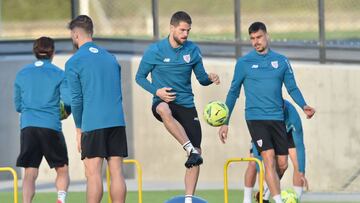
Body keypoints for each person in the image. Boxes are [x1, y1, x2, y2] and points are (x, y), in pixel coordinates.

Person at [218, 22, 315, 203]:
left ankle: (265, 193)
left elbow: (292, 88)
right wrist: (225, 121)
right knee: (267, 159)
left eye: (259, 37)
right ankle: (275, 201)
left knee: (282, 164)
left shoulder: (281, 61)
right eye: (252, 39)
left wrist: (304, 105)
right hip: (256, 119)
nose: (256, 42)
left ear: (267, 36)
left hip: (277, 118)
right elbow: (233, 92)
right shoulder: (244, 63)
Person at [135, 11, 220, 203]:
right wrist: (157, 92)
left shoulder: (193, 50)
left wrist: (209, 78)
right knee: (163, 109)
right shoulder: (155, 51)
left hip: (186, 105)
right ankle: (189, 148)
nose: (186, 34)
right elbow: (139, 77)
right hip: (163, 101)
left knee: (197, 152)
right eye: (182, 30)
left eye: (188, 30)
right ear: (172, 28)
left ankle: (188, 199)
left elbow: (201, 78)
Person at [65, 15, 128, 203]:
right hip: (117, 121)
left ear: (76, 35)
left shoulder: (73, 62)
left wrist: (78, 128)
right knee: (117, 172)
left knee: (93, 174)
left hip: (93, 123)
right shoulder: (111, 58)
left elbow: (76, 100)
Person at [14, 36, 70, 203]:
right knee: (62, 169)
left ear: (34, 52)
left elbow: (18, 106)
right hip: (50, 126)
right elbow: (67, 103)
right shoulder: (59, 74)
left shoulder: (22, 73)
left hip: (28, 127)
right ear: (52, 52)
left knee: (30, 172)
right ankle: (60, 200)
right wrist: (64, 113)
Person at [243, 100, 309, 203]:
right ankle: (248, 200)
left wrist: (301, 171)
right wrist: (261, 182)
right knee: (253, 162)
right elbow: (258, 157)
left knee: (293, 166)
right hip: (265, 130)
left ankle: (296, 199)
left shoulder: (292, 115)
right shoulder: (262, 113)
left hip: (286, 133)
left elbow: (299, 145)